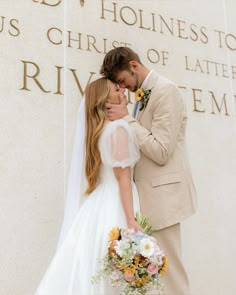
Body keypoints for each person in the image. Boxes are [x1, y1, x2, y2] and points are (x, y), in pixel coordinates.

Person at [100, 46, 197, 295]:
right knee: (154, 281)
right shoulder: (142, 96)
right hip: (145, 201)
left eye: (122, 81)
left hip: (164, 199)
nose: (123, 88)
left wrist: (128, 120)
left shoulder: (167, 91)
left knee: (172, 277)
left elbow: (162, 151)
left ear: (133, 66)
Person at [35, 77, 143, 295]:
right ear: (105, 100)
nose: (122, 89)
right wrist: (131, 220)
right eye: (116, 88)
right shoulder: (118, 128)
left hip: (97, 206)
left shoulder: (99, 132)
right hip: (116, 206)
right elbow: (123, 178)